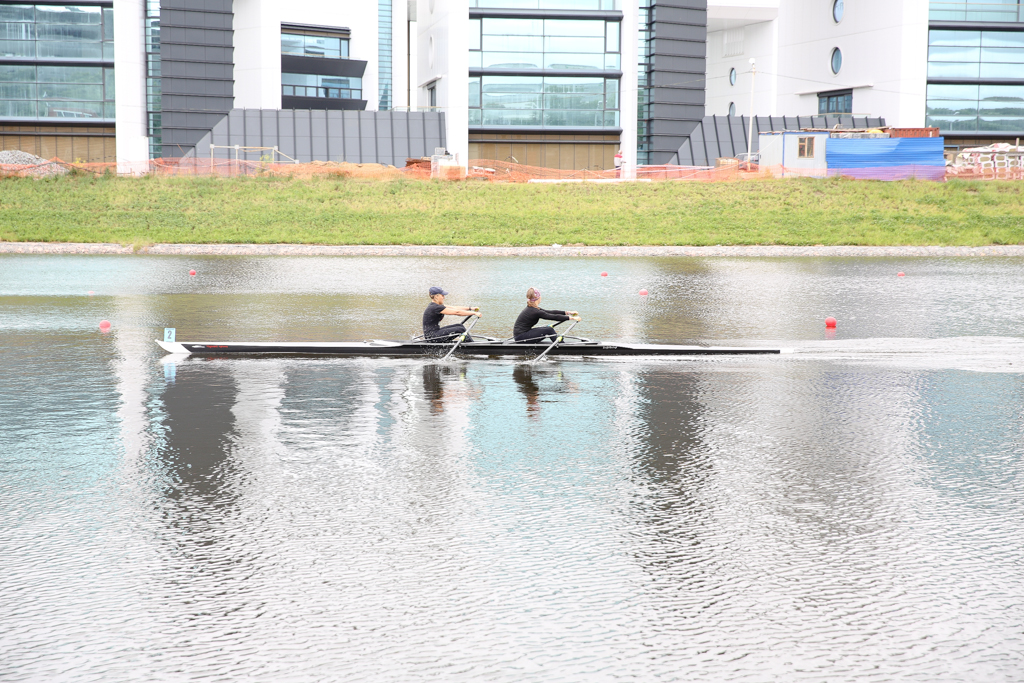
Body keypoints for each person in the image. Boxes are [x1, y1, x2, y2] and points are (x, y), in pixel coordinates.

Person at [512, 287, 579, 343]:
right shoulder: (535, 311)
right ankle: (561, 346)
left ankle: (559, 343)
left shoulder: (533, 308)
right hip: (521, 338)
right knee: (549, 330)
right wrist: (571, 318)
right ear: (538, 298)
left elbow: (551, 312)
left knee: (547, 328)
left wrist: (567, 312)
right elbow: (553, 317)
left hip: (521, 335)